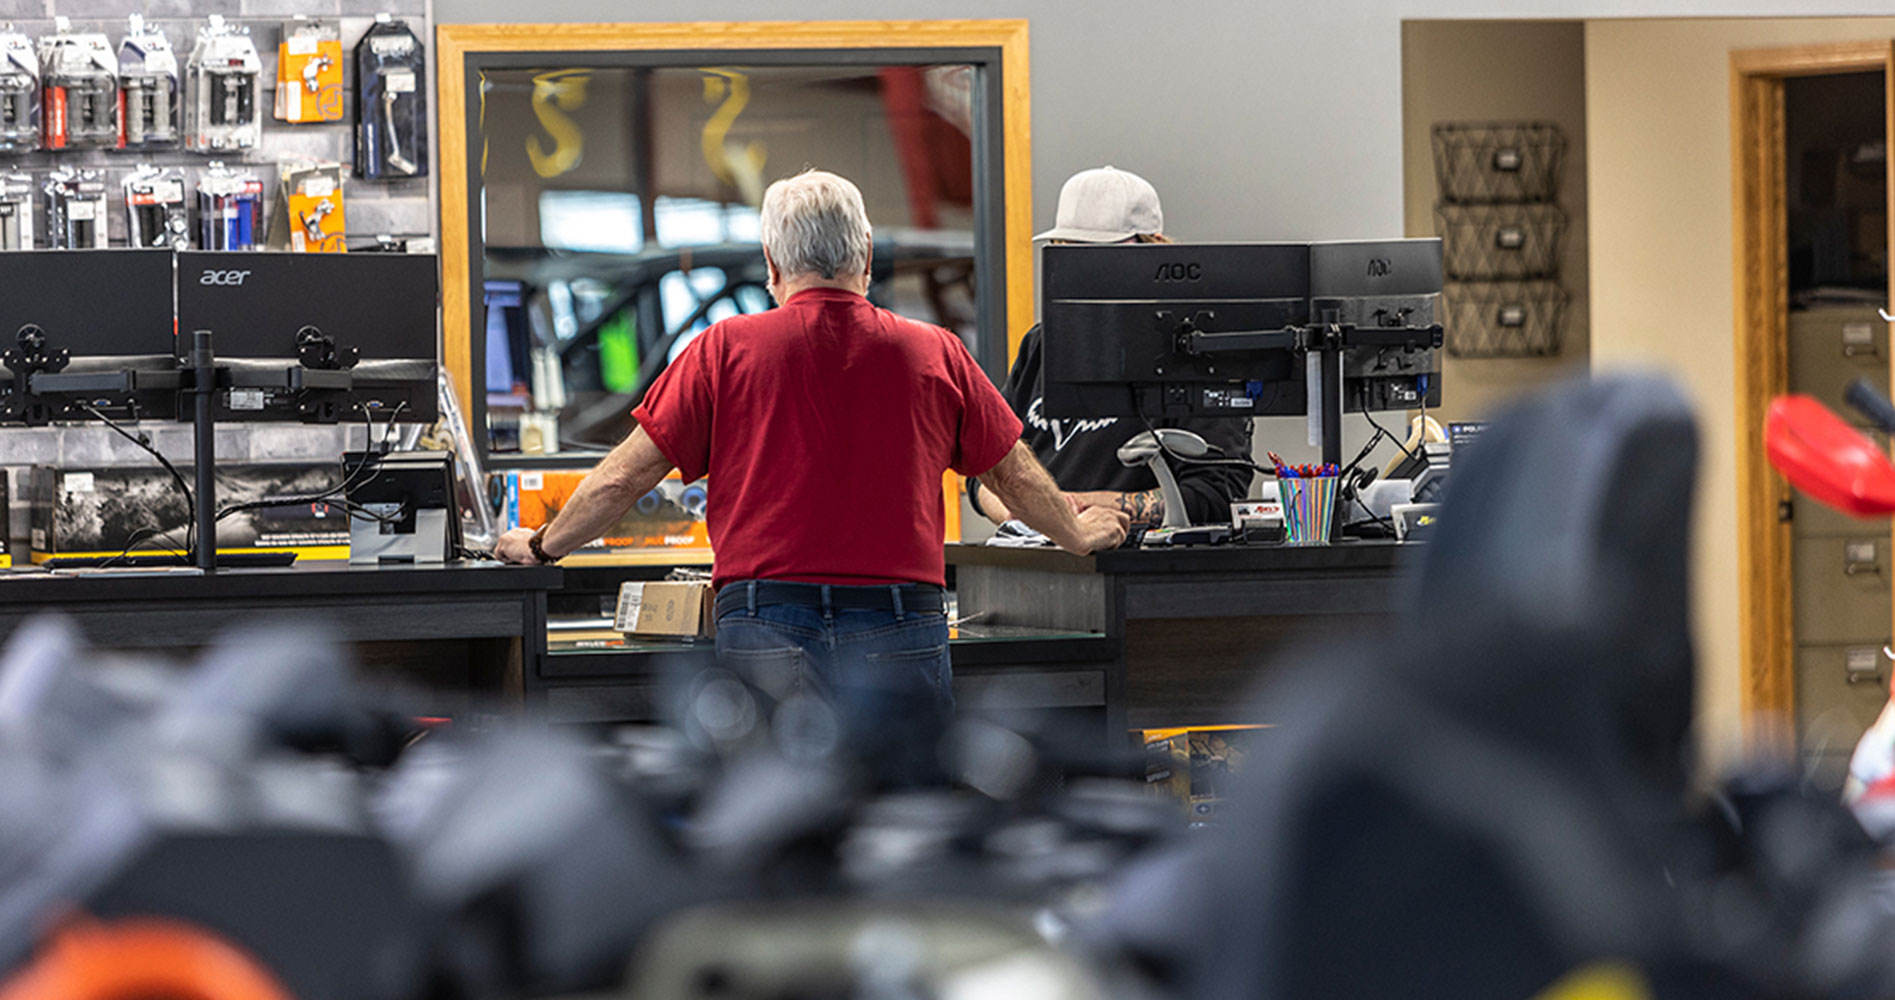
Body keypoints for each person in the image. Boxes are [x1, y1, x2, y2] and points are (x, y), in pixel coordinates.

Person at [497, 169, 1128, 780]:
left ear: (771, 263)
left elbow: (623, 479)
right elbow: (1015, 477)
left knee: (775, 813)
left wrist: (543, 544)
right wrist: (1076, 536)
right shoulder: (933, 352)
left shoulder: (723, 351)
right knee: (904, 810)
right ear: (867, 256)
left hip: (766, 617)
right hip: (901, 618)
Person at [969, 166, 1254, 528]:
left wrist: (1070, 510)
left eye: (1097, 253)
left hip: (1136, 572)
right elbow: (985, 464)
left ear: (1152, 252)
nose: (1082, 271)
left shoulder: (1201, 354)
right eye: (1067, 252)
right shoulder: (1042, 344)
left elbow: (1215, 495)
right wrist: (1020, 508)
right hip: (1035, 564)